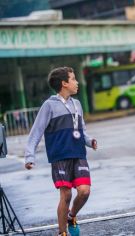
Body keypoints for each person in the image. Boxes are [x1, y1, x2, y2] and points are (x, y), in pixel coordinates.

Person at [24, 67, 98, 236]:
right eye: (73, 79)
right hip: (59, 157)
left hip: (79, 154)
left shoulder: (77, 104)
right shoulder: (49, 105)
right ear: (64, 83)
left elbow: (82, 130)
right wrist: (30, 156)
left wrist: (89, 141)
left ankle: (72, 216)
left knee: (84, 191)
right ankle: (62, 232)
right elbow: (36, 131)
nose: (77, 82)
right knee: (66, 195)